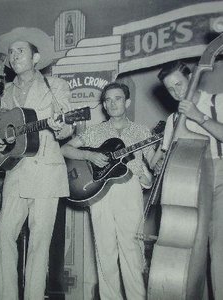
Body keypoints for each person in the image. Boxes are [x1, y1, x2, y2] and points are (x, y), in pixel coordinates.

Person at [0, 27, 73, 300]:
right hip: (16, 173)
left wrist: (61, 128)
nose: (13, 56)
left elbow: (69, 126)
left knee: (38, 245)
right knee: (3, 239)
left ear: (36, 58)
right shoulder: (4, 93)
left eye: (20, 51)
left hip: (47, 173)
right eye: (11, 52)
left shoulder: (55, 86)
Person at [61, 82, 155, 300]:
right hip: (99, 193)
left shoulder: (141, 131)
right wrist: (88, 156)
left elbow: (152, 162)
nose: (112, 103)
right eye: (108, 100)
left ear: (127, 102)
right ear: (103, 105)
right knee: (105, 252)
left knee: (132, 251)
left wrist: (150, 172)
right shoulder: (95, 131)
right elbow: (64, 148)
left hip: (130, 190)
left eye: (118, 98)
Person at [154, 60, 223, 299]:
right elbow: (165, 156)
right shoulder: (173, 120)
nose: (177, 92)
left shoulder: (217, 102)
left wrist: (199, 116)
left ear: (192, 77)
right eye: (171, 89)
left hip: (219, 176)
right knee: (192, 252)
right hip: (188, 184)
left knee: (220, 250)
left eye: (180, 84)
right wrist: (159, 162)